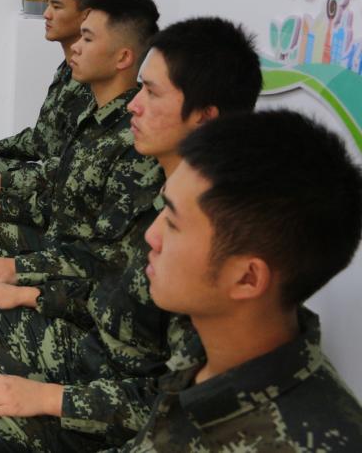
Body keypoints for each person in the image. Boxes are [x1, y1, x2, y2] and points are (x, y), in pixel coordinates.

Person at [0, 17, 264, 452]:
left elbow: (172, 409)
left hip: (122, 400)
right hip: (100, 354)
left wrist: (48, 398)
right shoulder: (166, 192)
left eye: (152, 93)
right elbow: (105, 277)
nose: (134, 106)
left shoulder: (215, 240)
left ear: (204, 118)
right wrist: (33, 295)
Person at [121, 110, 362, 451]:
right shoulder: (207, 346)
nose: (151, 235)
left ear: (247, 278)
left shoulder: (309, 441)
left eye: (173, 223)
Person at [0, 0, 161, 281]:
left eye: (87, 39)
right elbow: (64, 198)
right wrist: (0, 207)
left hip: (78, 274)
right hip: (62, 248)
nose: (77, 48)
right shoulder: (93, 116)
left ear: (123, 57)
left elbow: (108, 264)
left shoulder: (132, 139)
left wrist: (25, 284)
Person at [0, 0, 107, 202]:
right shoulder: (67, 69)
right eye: (48, 5)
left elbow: (73, 166)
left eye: (56, 7)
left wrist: (2, 182)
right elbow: (43, 138)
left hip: (65, 189)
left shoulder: (93, 82)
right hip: (50, 174)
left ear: (86, 15)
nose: (46, 14)